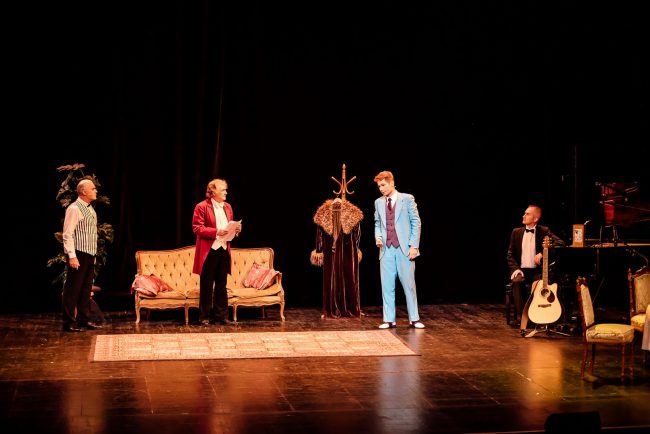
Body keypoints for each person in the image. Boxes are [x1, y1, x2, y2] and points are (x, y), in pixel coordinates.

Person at [373, 170, 424, 329]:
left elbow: (416, 222)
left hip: (404, 249)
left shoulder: (407, 199)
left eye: (383, 185)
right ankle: (389, 320)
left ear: (392, 183)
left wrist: (414, 246)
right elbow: (377, 223)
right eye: (379, 186)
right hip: (386, 249)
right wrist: (378, 237)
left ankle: (414, 319)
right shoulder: (378, 202)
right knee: (387, 286)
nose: (381, 189)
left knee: (409, 285)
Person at [506, 204, 565, 331]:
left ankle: (537, 315)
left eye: (527, 214)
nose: (524, 216)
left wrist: (543, 252)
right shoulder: (516, 232)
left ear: (535, 219)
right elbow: (510, 254)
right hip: (521, 270)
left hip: (537, 271)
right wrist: (516, 269)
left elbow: (560, 243)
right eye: (524, 213)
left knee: (539, 285)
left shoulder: (544, 231)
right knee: (517, 282)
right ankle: (523, 316)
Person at [192, 179, 241, 326]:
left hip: (224, 249)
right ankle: (204, 316)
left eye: (226, 189)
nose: (226, 192)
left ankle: (221, 316)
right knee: (207, 284)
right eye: (223, 190)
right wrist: (216, 232)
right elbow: (197, 228)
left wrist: (236, 230)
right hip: (209, 250)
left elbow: (229, 226)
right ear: (213, 192)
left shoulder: (228, 207)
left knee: (221, 283)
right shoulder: (201, 206)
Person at [61, 179, 103, 332]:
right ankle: (68, 322)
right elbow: (67, 234)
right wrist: (72, 256)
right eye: (93, 188)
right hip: (78, 253)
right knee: (73, 289)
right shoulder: (74, 208)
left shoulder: (91, 210)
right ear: (84, 191)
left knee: (85, 289)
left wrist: (93, 256)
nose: (95, 191)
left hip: (89, 254)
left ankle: (83, 320)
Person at [310, 197, 363, 318]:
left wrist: (319, 250)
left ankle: (338, 308)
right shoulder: (323, 214)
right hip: (339, 251)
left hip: (344, 250)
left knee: (342, 278)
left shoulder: (352, 214)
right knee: (340, 278)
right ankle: (347, 308)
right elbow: (357, 235)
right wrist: (319, 250)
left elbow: (357, 234)